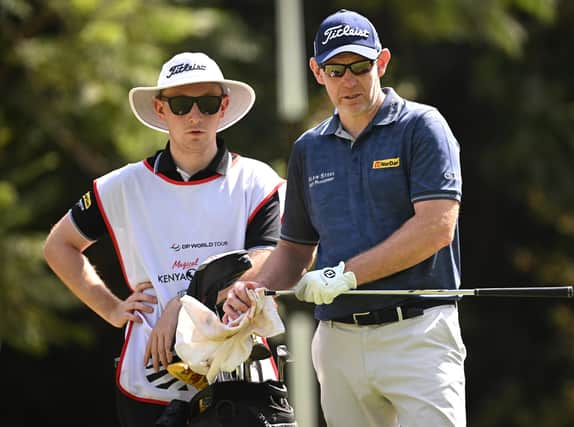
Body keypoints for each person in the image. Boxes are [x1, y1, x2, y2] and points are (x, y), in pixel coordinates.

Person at [224, 9, 466, 427]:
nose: (348, 80)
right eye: (336, 69)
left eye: (359, 66)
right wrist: (253, 288)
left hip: (418, 334)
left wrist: (345, 275)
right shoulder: (308, 149)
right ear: (318, 72)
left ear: (382, 62)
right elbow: (295, 251)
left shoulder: (423, 127)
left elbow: (436, 227)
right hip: (338, 343)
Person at [43, 52, 284, 427]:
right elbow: (59, 246)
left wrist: (185, 304)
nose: (194, 115)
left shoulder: (258, 180)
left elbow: (267, 261)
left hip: (240, 379)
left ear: (223, 107)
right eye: (180, 104)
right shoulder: (122, 185)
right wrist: (111, 309)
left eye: (206, 104)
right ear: (160, 109)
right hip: (150, 381)